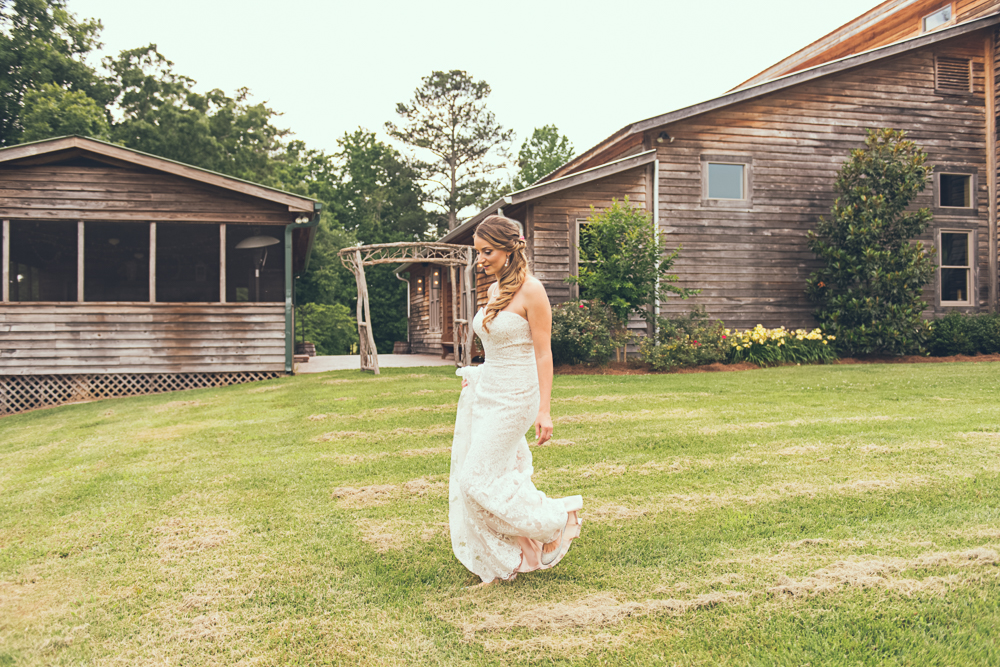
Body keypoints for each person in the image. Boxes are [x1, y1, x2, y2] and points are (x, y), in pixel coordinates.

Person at [449, 215, 583, 585]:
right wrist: (476, 378)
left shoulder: (533, 291)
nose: (481, 260)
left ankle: (560, 519)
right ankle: (519, 550)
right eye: (478, 253)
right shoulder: (494, 291)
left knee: (474, 480)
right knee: (489, 476)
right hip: (489, 392)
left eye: (487, 251)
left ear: (511, 249)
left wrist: (544, 410)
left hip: (517, 397)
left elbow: (543, 354)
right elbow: (495, 348)